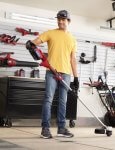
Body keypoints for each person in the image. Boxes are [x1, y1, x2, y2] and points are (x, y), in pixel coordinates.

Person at [26, 10, 79, 139]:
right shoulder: (51, 33)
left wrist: (76, 77)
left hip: (66, 73)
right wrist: (31, 44)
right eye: (59, 19)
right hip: (51, 71)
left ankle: (61, 128)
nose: (60, 21)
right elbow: (36, 41)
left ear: (68, 21)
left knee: (63, 101)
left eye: (63, 19)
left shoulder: (72, 39)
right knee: (48, 99)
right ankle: (45, 128)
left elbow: (72, 59)